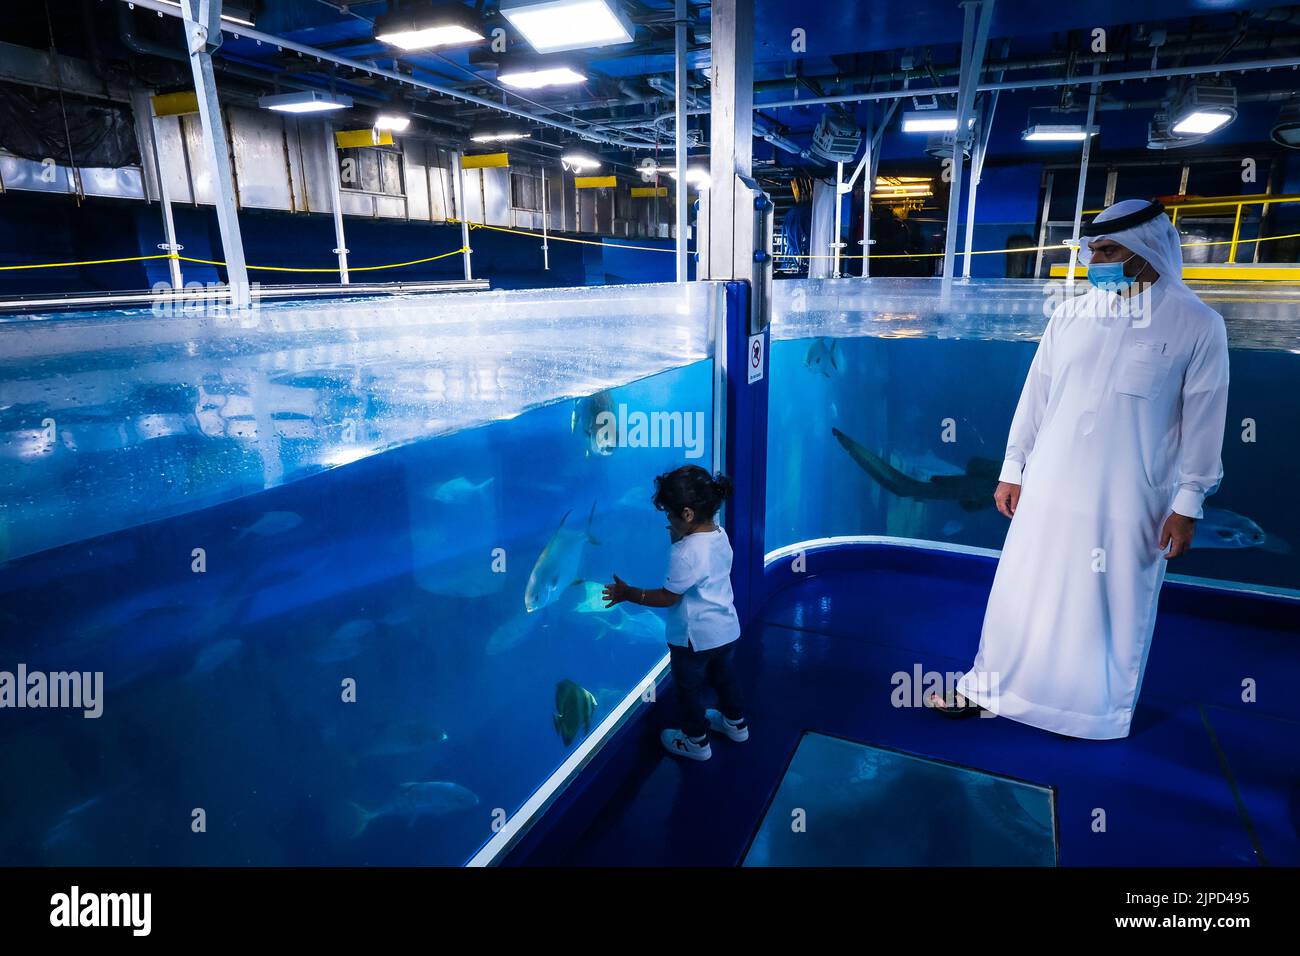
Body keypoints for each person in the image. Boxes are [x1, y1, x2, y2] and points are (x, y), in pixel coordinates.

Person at [926, 198, 1230, 739]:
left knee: (1108, 605)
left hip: (1130, 496)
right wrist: (1013, 466)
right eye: (1092, 249)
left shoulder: (1198, 325)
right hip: (1049, 484)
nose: (1096, 261)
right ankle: (989, 688)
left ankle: (1090, 714)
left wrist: (1188, 505)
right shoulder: (1071, 313)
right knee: (1022, 588)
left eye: (1108, 250)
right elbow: (1037, 394)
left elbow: (1206, 423)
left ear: (1144, 250)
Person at [603, 465, 747, 761]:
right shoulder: (720, 535)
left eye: (669, 514)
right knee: (725, 679)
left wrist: (629, 593)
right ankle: (736, 725)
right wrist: (681, 537)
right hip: (726, 629)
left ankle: (697, 742)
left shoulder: (684, 553)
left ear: (687, 515)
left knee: (688, 690)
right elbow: (702, 569)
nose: (667, 519)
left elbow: (669, 597)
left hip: (693, 640)